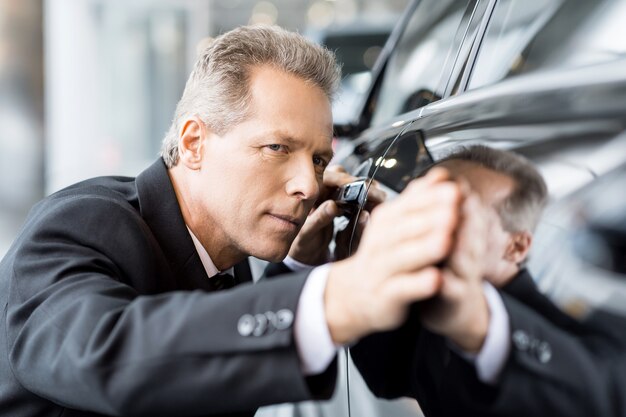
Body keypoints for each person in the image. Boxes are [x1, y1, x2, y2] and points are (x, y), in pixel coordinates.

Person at [0, 25, 472, 417]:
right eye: (277, 148)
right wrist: (331, 301)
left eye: (320, 161)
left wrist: (303, 269)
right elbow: (109, 355)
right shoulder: (76, 227)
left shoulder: (226, 249)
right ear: (193, 143)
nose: (308, 185)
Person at [351, 145, 621, 416]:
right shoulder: (431, 297)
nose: (419, 225)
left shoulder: (563, 330)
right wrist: (352, 260)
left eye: (456, 212)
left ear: (517, 246)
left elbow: (603, 393)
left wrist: (478, 326)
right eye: (417, 208)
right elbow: (389, 377)